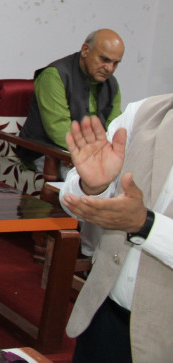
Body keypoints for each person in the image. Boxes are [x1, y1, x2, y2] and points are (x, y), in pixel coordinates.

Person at [59, 96, 173, 362]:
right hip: (105, 312)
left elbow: (139, 221)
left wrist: (145, 226)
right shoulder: (144, 112)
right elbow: (70, 197)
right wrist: (92, 188)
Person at [18, 29, 125, 174]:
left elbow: (114, 127)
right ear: (85, 50)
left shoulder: (112, 84)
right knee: (89, 176)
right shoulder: (55, 75)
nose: (110, 68)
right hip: (47, 152)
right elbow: (59, 129)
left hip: (90, 155)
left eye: (115, 63)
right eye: (104, 60)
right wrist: (90, 155)